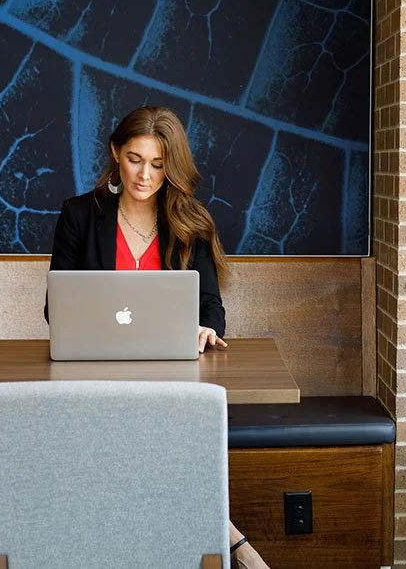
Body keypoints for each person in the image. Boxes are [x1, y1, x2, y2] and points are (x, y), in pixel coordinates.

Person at [45, 105, 269, 569]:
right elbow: (56, 306)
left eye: (158, 164)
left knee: (150, 432)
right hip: (95, 377)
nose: (144, 175)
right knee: (140, 436)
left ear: (172, 166)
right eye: (134, 159)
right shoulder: (80, 215)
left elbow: (211, 307)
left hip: (171, 375)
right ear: (115, 153)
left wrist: (208, 329)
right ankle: (231, 544)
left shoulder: (191, 222)